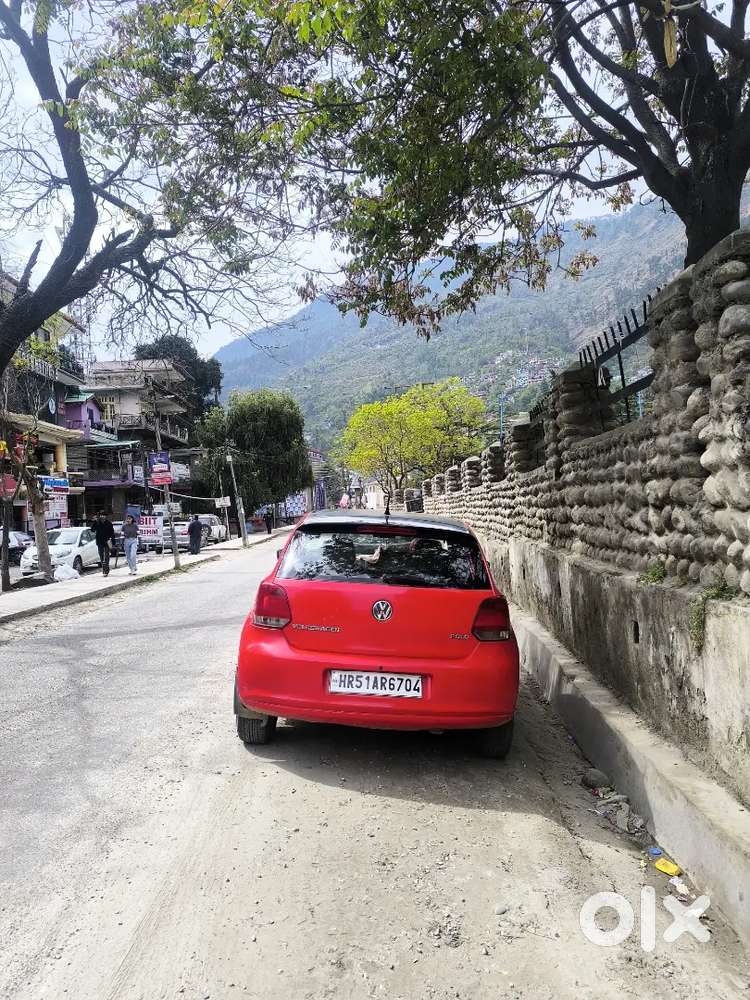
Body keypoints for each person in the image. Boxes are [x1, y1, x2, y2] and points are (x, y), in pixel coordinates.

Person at [93, 512, 115, 576]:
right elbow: (92, 530)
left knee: (106, 556)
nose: (102, 516)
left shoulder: (109, 523)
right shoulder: (97, 523)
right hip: (99, 542)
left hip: (107, 542)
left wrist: (113, 543)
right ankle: (104, 569)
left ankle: (106, 570)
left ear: (106, 516)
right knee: (101, 556)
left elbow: (112, 533)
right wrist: (95, 522)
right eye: (101, 515)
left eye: (103, 515)